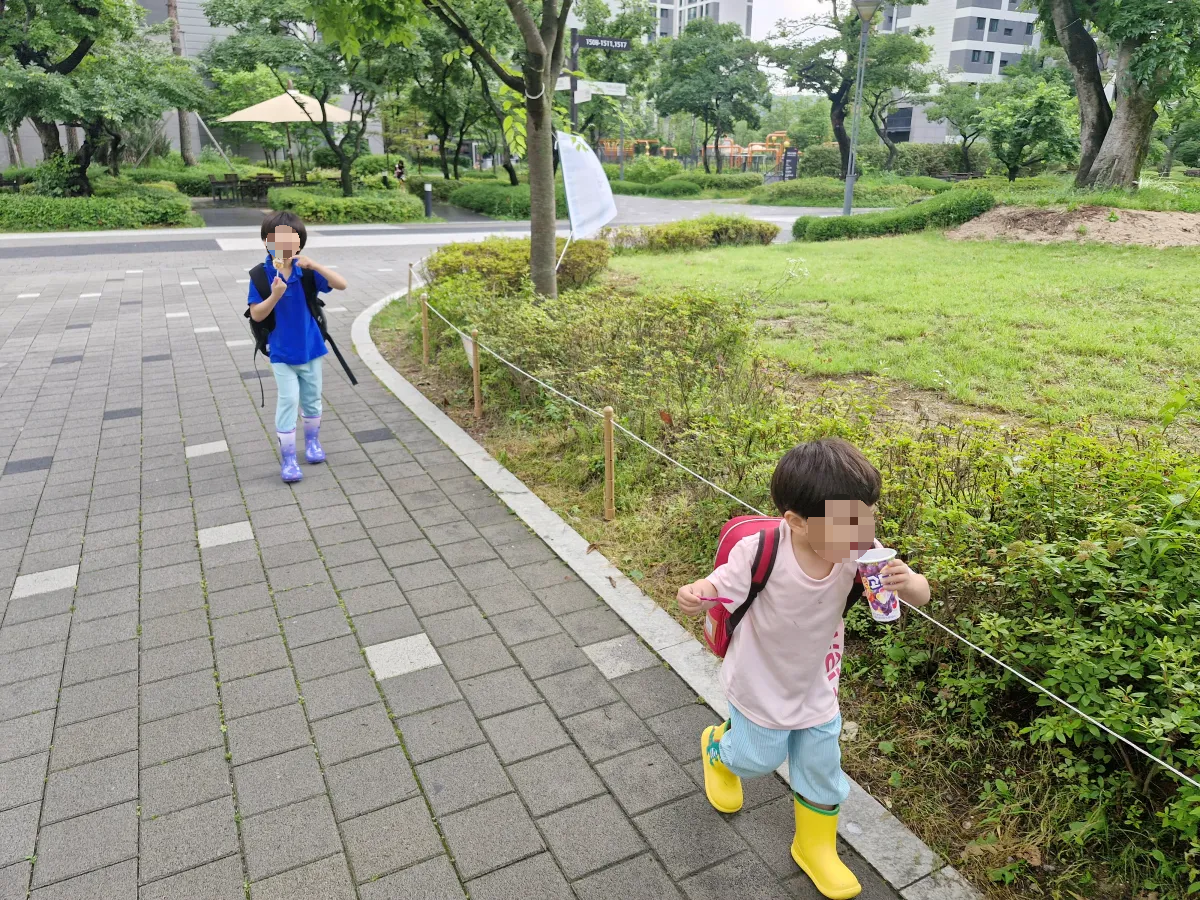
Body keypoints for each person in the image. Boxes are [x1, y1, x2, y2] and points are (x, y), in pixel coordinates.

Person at [676, 438, 930, 900]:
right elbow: (716, 586)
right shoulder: (761, 550)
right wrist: (696, 594)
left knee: (821, 767)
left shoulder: (858, 548)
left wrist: (907, 582)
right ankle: (718, 747)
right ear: (796, 522)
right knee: (757, 758)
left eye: (867, 514)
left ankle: (815, 847)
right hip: (760, 681)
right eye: (846, 524)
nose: (862, 532)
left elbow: (920, 595)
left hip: (816, 683)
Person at [248, 211, 348, 483]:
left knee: (312, 398)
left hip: (312, 348)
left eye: (290, 239)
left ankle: (313, 444)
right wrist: (275, 295)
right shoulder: (261, 274)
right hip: (281, 352)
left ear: (299, 243)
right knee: (289, 400)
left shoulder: (305, 272)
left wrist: (315, 265)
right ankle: (289, 458)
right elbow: (257, 314)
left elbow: (341, 284)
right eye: (276, 239)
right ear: (267, 242)